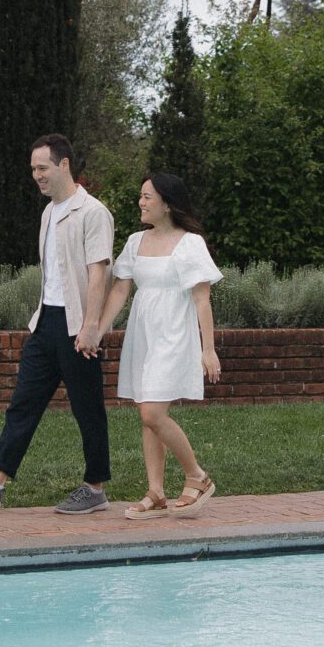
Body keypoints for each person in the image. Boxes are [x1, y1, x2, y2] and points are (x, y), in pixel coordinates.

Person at [0, 134, 117, 513]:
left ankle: (94, 487)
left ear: (64, 165)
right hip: (45, 321)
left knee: (87, 407)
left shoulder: (93, 213)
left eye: (42, 168)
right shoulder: (48, 212)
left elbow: (98, 273)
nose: (36, 176)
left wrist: (91, 326)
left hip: (77, 325)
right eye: (33, 170)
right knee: (23, 401)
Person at [94, 171, 222, 519]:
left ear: (167, 204)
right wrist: (98, 329)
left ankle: (197, 477)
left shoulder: (190, 243)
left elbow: (201, 300)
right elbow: (120, 289)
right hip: (144, 333)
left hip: (174, 333)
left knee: (152, 411)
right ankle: (156, 492)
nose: (141, 202)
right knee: (148, 415)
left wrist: (207, 349)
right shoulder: (136, 241)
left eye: (147, 197)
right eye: (141, 196)